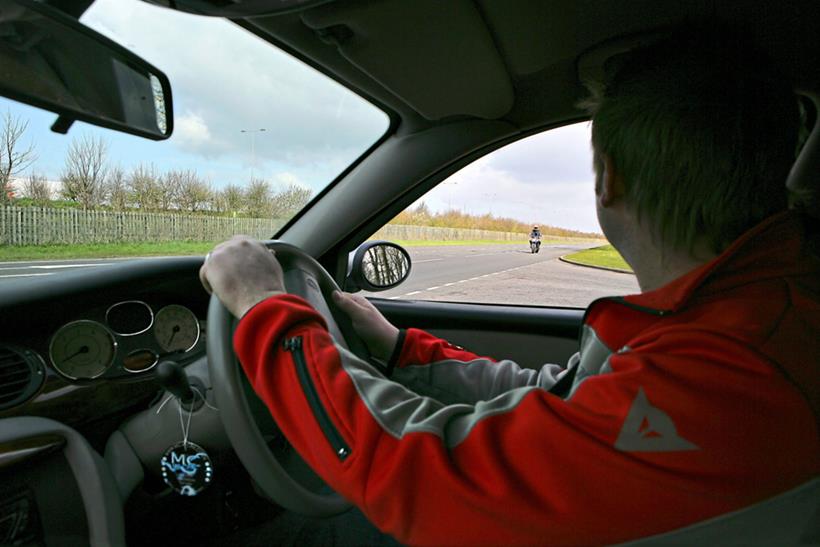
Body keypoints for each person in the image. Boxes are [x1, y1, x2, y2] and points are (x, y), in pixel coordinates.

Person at [199, 25, 819, 546]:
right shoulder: (740, 321)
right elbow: (559, 401)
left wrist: (265, 309)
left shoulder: (729, 376)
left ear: (609, 181)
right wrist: (397, 349)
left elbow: (426, 479)